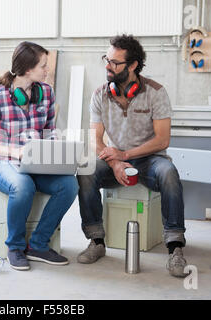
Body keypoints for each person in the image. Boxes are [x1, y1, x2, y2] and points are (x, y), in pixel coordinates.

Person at [76, 34, 188, 277]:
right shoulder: (100, 94)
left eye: (115, 62)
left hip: (150, 160)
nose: (108, 66)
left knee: (169, 173)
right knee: (86, 171)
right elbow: (94, 139)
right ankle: (96, 241)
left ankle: (175, 248)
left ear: (133, 65)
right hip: (115, 160)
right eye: (106, 59)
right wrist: (116, 162)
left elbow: (162, 139)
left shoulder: (156, 93)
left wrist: (125, 153)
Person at [0, 41, 78, 271]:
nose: (47, 70)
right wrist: (13, 151)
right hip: (0, 163)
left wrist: (58, 151)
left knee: (69, 185)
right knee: (23, 185)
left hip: (35, 162)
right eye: (43, 66)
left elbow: (49, 131)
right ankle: (15, 247)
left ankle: (39, 245)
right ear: (28, 69)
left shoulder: (46, 93)